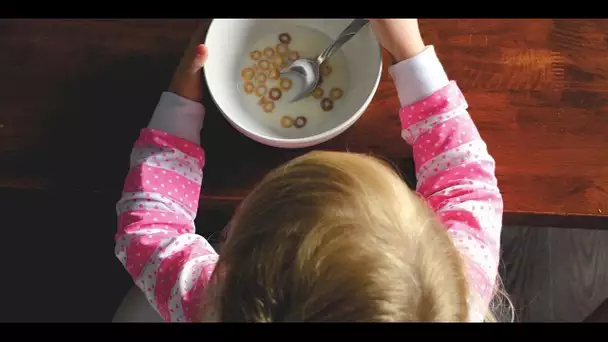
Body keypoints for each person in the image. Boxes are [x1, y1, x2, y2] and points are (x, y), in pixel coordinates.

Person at [115, 19, 506, 322]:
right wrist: (409, 50)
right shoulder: (455, 294)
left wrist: (181, 100)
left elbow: (150, 230)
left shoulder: (209, 300)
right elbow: (466, 180)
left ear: (232, 259)